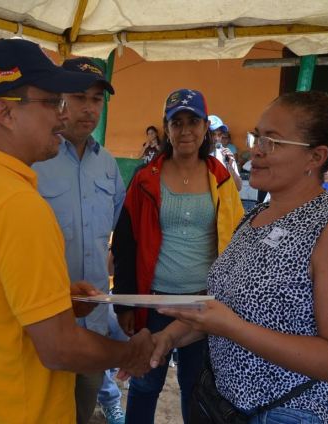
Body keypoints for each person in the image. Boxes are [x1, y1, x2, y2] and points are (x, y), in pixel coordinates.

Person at [0, 38, 154, 424]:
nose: (62, 116)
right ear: (4, 112)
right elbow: (59, 348)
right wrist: (128, 353)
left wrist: (58, 299)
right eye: (51, 102)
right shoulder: (17, 204)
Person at [151, 91, 328, 424]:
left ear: (315, 157)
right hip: (225, 404)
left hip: (292, 412)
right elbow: (224, 306)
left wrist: (232, 328)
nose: (255, 150)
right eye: (258, 137)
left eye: (272, 141)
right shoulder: (255, 216)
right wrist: (167, 337)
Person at [112, 88, 244, 423]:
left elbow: (235, 238)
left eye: (193, 121)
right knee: (145, 383)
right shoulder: (145, 178)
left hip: (203, 302)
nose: (186, 130)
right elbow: (126, 244)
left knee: (195, 386)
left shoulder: (222, 178)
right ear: (167, 129)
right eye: (177, 122)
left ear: (205, 128)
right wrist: (126, 302)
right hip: (154, 300)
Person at [32, 57, 126, 424]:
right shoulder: (36, 161)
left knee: (82, 413)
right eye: (78, 97)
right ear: (58, 100)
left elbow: (118, 232)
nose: (89, 108)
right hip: (48, 323)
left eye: (97, 100)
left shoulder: (109, 166)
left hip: (95, 323)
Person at [209, 114, 242, 190]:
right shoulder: (195, 154)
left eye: (219, 134)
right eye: (212, 134)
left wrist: (230, 167)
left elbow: (238, 187)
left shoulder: (225, 155)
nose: (216, 138)